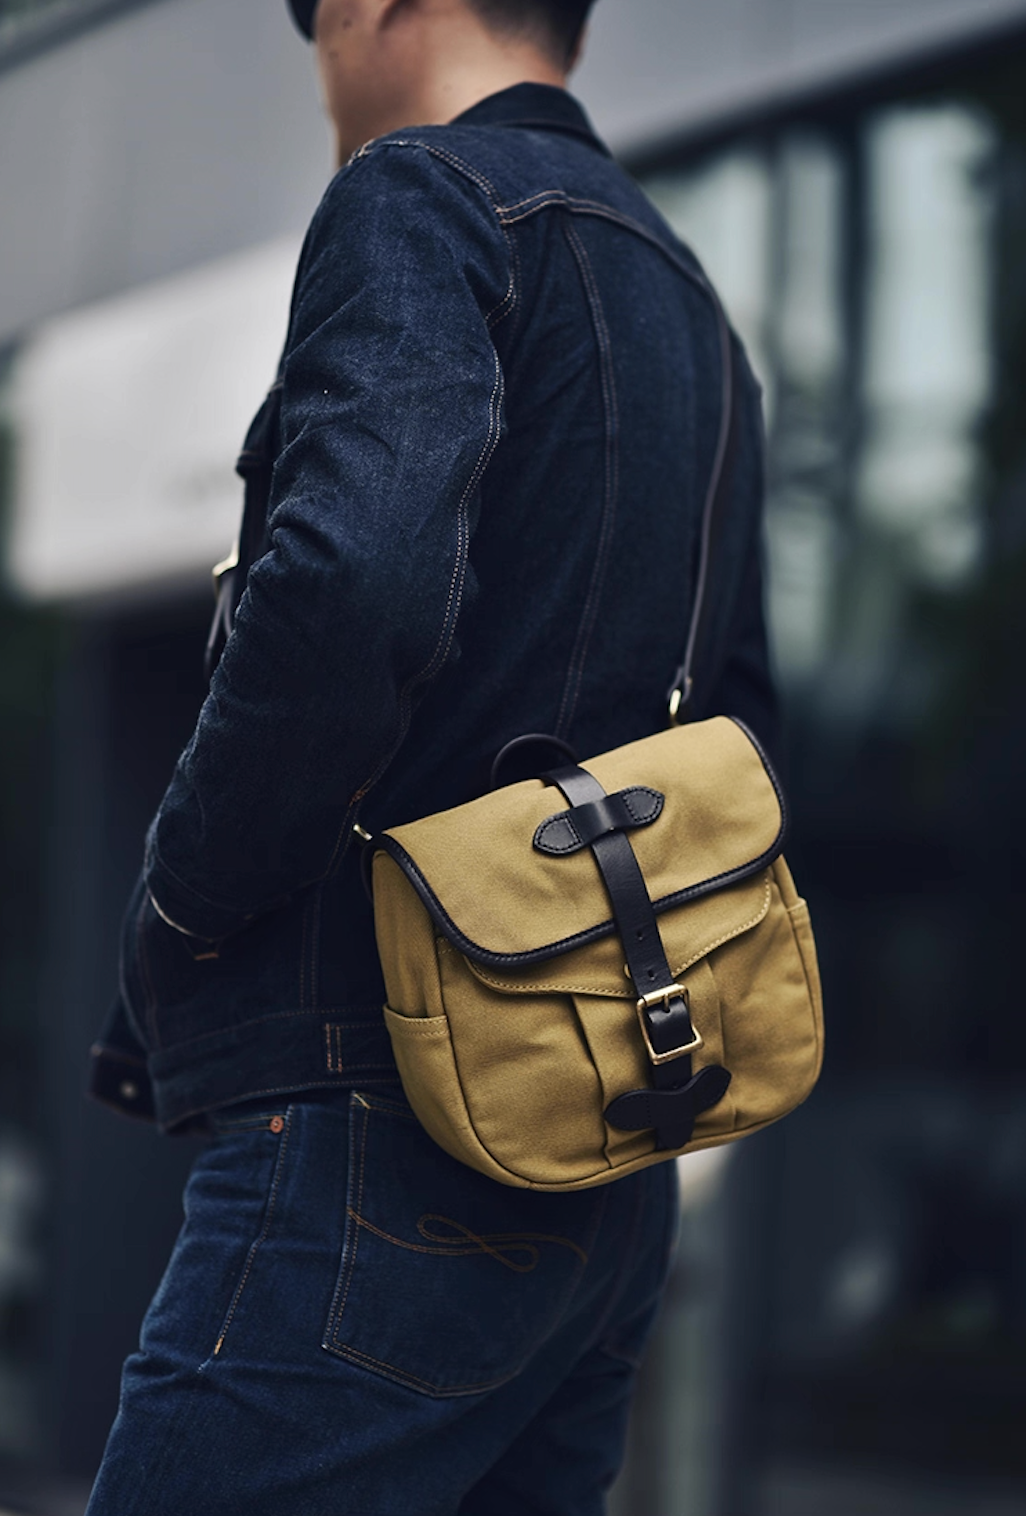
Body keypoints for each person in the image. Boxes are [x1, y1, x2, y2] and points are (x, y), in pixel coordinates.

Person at [85, 0, 776, 1511]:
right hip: (608, 1159)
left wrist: (180, 907)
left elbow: (348, 587)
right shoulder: (696, 319)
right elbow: (740, 734)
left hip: (377, 1117)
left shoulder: (417, 195)